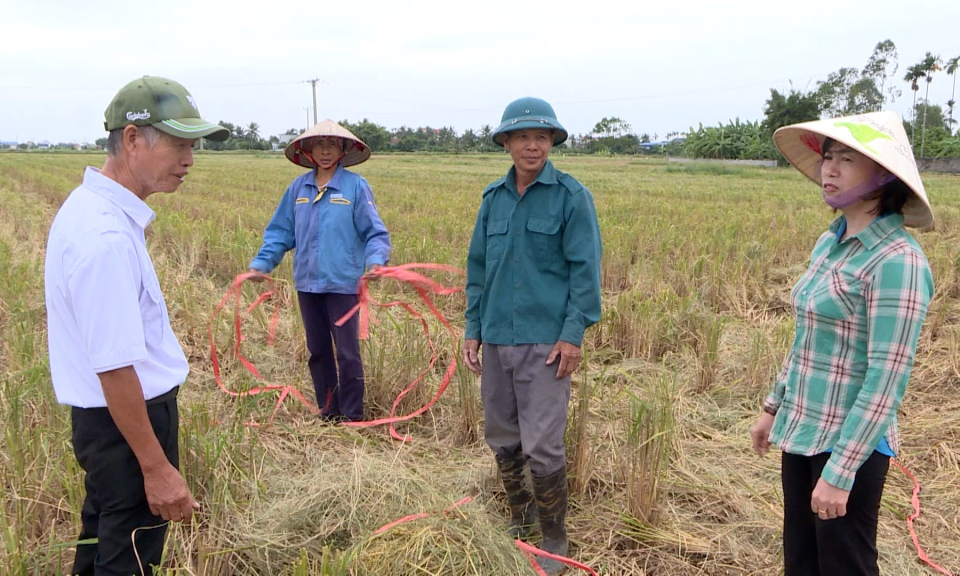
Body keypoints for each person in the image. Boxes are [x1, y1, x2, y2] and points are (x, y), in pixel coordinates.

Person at [44, 76, 229, 575]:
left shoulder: (96, 212)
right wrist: (156, 466)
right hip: (127, 422)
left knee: (105, 544)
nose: (190, 159)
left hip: (110, 424)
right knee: (129, 558)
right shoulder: (103, 237)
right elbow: (115, 368)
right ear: (132, 139)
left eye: (194, 146)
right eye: (180, 145)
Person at [751, 111, 935, 576]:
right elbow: (806, 339)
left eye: (847, 159)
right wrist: (774, 406)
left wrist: (841, 471)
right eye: (828, 157)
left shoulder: (899, 262)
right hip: (802, 430)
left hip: (850, 444)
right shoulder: (828, 244)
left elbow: (886, 379)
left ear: (882, 175)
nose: (829, 169)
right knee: (802, 561)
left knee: (843, 563)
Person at [463, 97, 602, 575]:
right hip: (498, 336)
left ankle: (554, 534)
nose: (533, 145)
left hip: (546, 342)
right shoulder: (492, 200)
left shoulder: (570, 196)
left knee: (542, 442)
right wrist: (473, 329)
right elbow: (478, 269)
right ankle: (520, 518)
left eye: (542, 136)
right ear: (505, 142)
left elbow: (585, 271)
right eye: (522, 136)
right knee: (502, 435)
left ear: (553, 142)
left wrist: (572, 335)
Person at [249, 120, 390, 422]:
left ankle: (352, 416)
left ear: (342, 150)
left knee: (348, 353)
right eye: (319, 145)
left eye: (332, 145)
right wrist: (262, 263)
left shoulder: (355, 186)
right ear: (308, 150)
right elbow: (280, 233)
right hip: (307, 285)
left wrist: (376, 260)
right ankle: (329, 411)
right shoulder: (298, 189)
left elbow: (375, 232)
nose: (325, 152)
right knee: (318, 351)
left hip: (343, 284)